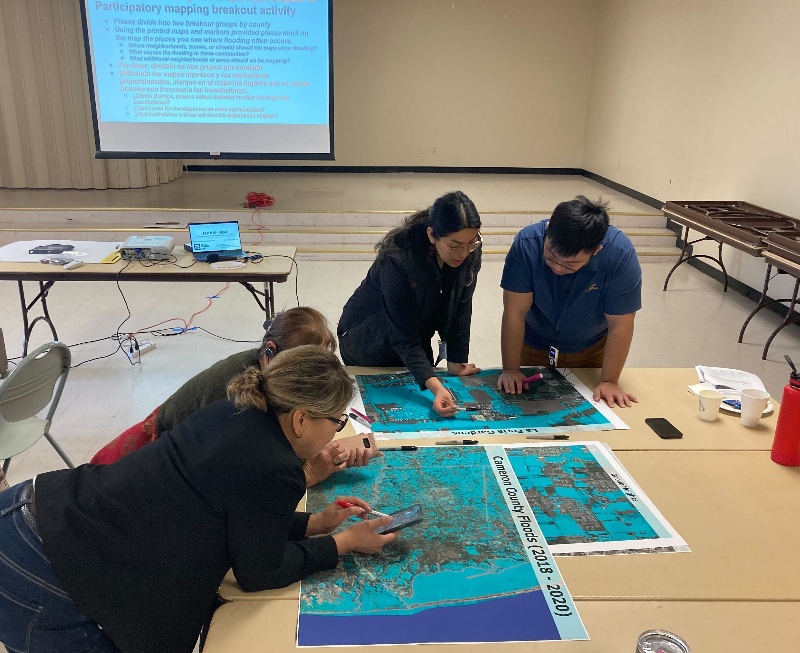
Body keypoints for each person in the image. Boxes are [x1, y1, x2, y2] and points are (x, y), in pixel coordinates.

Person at [0, 346, 398, 653]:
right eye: (335, 419)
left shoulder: (236, 410)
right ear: (300, 419)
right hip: (39, 571)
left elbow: (232, 509)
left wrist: (312, 523)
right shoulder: (276, 466)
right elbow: (261, 571)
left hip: (21, 516)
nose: (337, 429)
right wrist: (344, 543)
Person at [91, 306, 372, 486]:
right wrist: (309, 472)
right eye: (306, 367)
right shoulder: (237, 402)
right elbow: (237, 483)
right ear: (270, 352)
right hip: (139, 468)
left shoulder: (270, 377)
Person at [338, 191, 483, 416]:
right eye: (455, 245)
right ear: (432, 235)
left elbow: (461, 306)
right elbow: (402, 335)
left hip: (412, 330)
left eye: (470, 243)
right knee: (388, 409)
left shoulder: (469, 250)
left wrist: (456, 360)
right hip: (367, 339)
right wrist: (435, 387)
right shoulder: (398, 260)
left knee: (419, 379)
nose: (463, 252)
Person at [497, 196, 642, 408]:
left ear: (596, 250)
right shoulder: (527, 244)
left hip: (593, 348)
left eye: (570, 264)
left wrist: (609, 380)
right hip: (534, 342)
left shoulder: (619, 255)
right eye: (551, 257)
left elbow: (621, 324)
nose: (557, 268)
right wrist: (510, 369)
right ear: (548, 231)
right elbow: (514, 313)